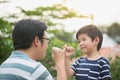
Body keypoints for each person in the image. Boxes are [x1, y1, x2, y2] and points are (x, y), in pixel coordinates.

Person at [0, 19, 67, 80]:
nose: (47, 45)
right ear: (37, 41)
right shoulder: (35, 69)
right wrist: (60, 62)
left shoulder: (3, 67)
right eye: (47, 40)